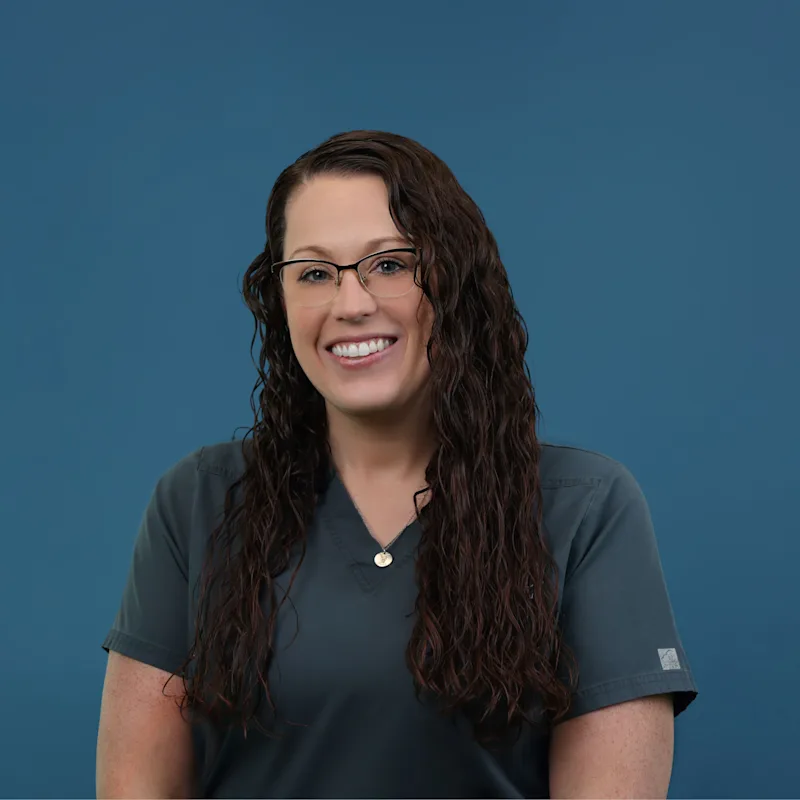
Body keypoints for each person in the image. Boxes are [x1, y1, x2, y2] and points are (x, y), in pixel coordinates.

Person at [96, 129, 698, 799]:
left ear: (455, 279)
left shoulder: (586, 507)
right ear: (280, 299)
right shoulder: (199, 501)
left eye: (389, 264)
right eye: (316, 273)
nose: (352, 304)